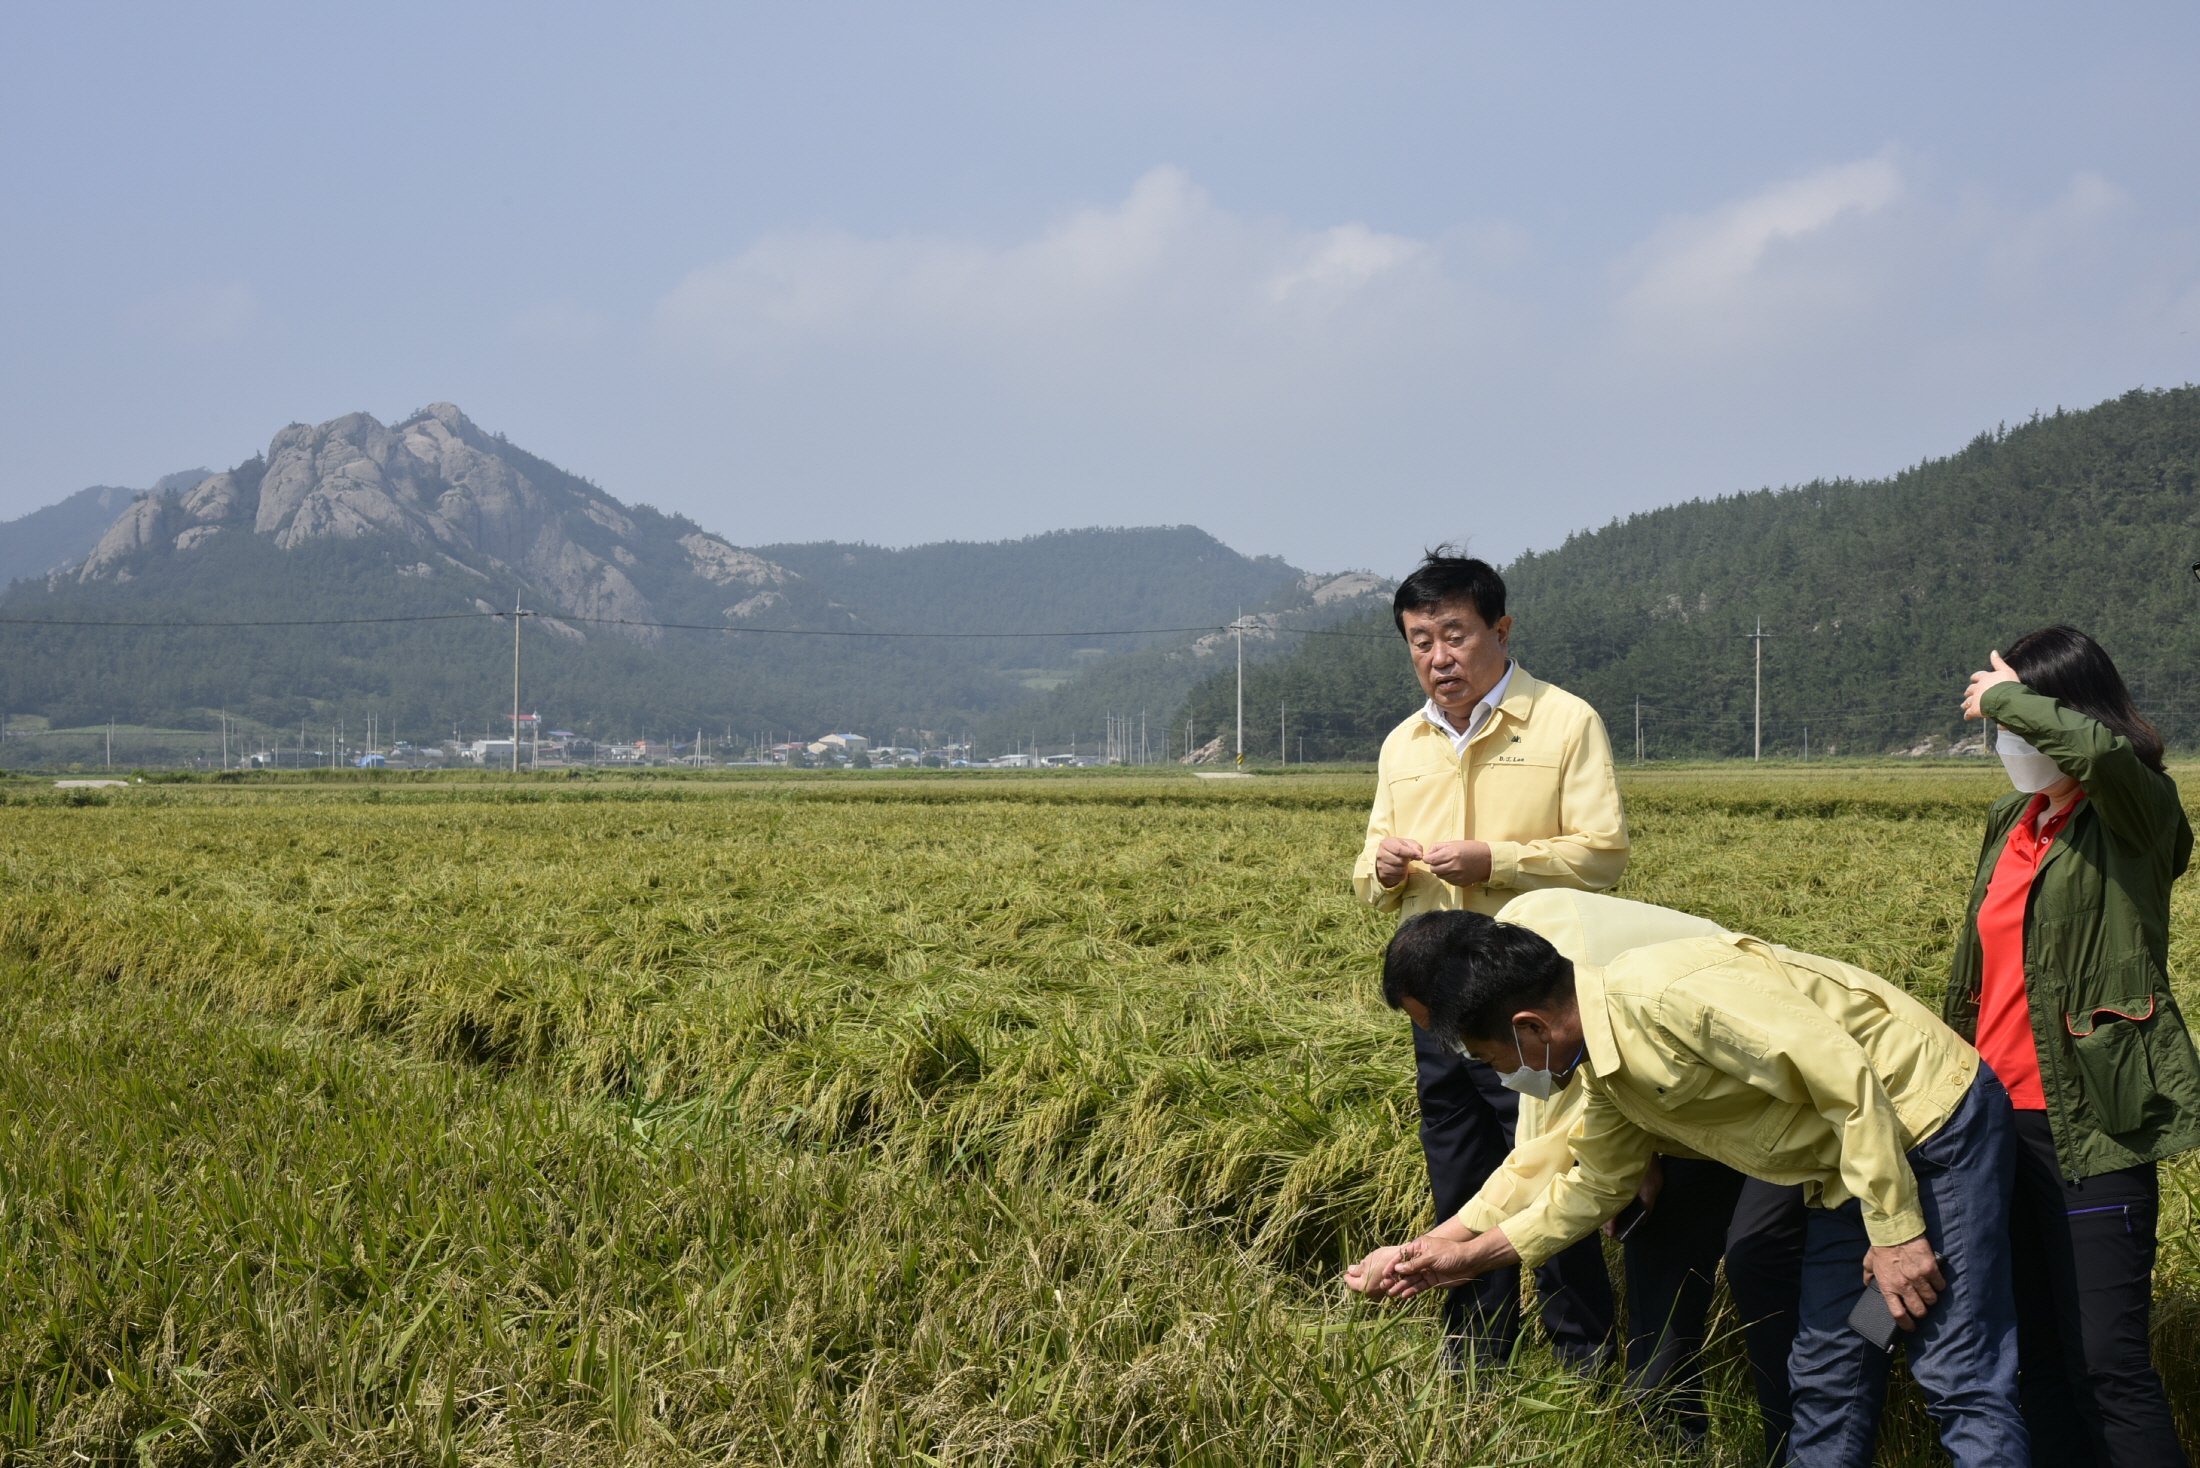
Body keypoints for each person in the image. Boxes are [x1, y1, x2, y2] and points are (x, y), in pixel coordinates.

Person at [1350, 908, 2030, 1468]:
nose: (1501, 1075)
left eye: (1494, 1058)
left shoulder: (1668, 997)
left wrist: (1898, 1234)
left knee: (1956, 1369)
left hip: (1928, 1132)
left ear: (1530, 1027)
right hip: (1844, 1174)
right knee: (1833, 1369)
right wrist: (1464, 1257)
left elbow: (1847, 1082)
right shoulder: (1608, 1075)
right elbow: (1591, 1187)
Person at [1369, 889, 1808, 1458]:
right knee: (1661, 1254)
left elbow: (1552, 1154)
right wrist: (1433, 1248)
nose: (1448, 1048)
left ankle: (1801, 1439)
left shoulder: (1557, 990)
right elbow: (1582, 1169)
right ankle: (1668, 1440)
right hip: (1692, 1109)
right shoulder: (1524, 967)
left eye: (1450, 1031)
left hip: (1786, 1105)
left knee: (1764, 1260)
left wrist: (1449, 1249)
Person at [1351, 549, 1632, 1369]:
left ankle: (1584, 1360)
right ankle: (1476, 1359)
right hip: (1441, 1013)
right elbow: (1365, 871)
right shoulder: (1403, 745)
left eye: (1455, 635)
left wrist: (1498, 861)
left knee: (1549, 1175)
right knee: (1460, 1177)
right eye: (1419, 641)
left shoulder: (1564, 722)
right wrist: (1384, 871)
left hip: (1533, 1008)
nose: (1439, 658)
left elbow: (1603, 854)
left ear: (1499, 631)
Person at [1954, 627, 2200, 1467]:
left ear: (2066, 712)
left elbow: (2103, 755)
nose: (2009, 744)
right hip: (1995, 1123)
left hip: (2092, 1125)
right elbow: (1977, 982)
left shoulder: (2136, 812)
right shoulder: (2010, 823)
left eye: (2020, 723)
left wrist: (2007, 696)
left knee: (2108, 1362)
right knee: (2034, 1356)